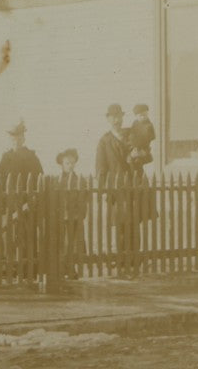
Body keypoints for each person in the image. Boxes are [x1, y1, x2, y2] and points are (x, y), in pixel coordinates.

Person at [95, 103, 143, 275]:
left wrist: (139, 156)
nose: (117, 120)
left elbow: (146, 154)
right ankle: (122, 260)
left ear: (123, 117)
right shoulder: (104, 141)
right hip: (116, 189)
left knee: (135, 224)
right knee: (121, 225)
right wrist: (104, 189)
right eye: (113, 117)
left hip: (134, 186)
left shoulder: (131, 135)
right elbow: (101, 167)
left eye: (119, 116)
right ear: (108, 119)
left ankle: (135, 259)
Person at [0, 121, 43, 282]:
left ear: (24, 137)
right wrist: (0, 204)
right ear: (10, 138)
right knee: (9, 236)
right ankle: (9, 269)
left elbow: (39, 180)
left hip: (27, 204)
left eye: (19, 135)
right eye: (13, 136)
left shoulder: (32, 157)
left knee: (27, 236)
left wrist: (32, 201)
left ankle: (29, 269)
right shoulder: (6, 157)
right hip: (10, 204)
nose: (16, 139)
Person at [53, 147, 88, 279]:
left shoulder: (80, 180)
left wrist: (81, 213)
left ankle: (72, 269)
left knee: (73, 244)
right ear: (62, 164)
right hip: (61, 217)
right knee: (62, 243)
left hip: (75, 218)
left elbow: (85, 199)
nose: (70, 165)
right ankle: (61, 269)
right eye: (67, 163)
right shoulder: (56, 180)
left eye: (72, 163)